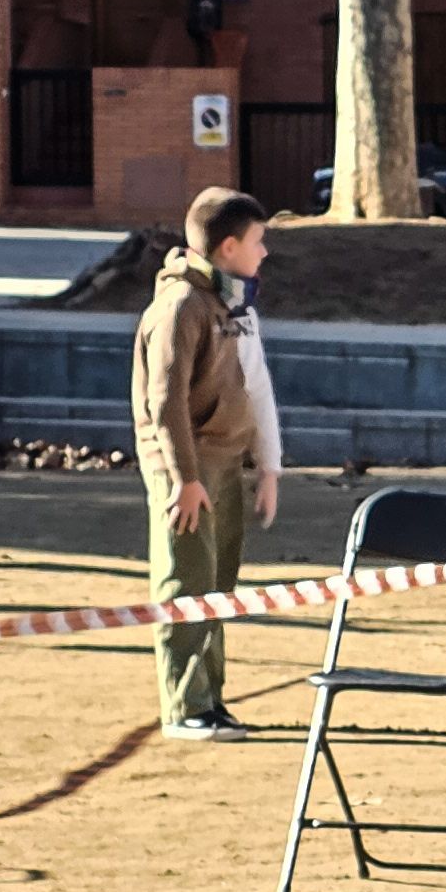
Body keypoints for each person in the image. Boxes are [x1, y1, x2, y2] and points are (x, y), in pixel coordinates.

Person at [132, 185, 281, 743]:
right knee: (185, 582)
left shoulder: (223, 301)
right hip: (188, 470)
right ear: (226, 248)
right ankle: (184, 707)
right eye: (257, 242)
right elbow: (165, 403)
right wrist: (185, 479)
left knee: (217, 584)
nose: (264, 253)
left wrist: (266, 465)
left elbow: (252, 382)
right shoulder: (180, 307)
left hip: (221, 463)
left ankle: (209, 699)